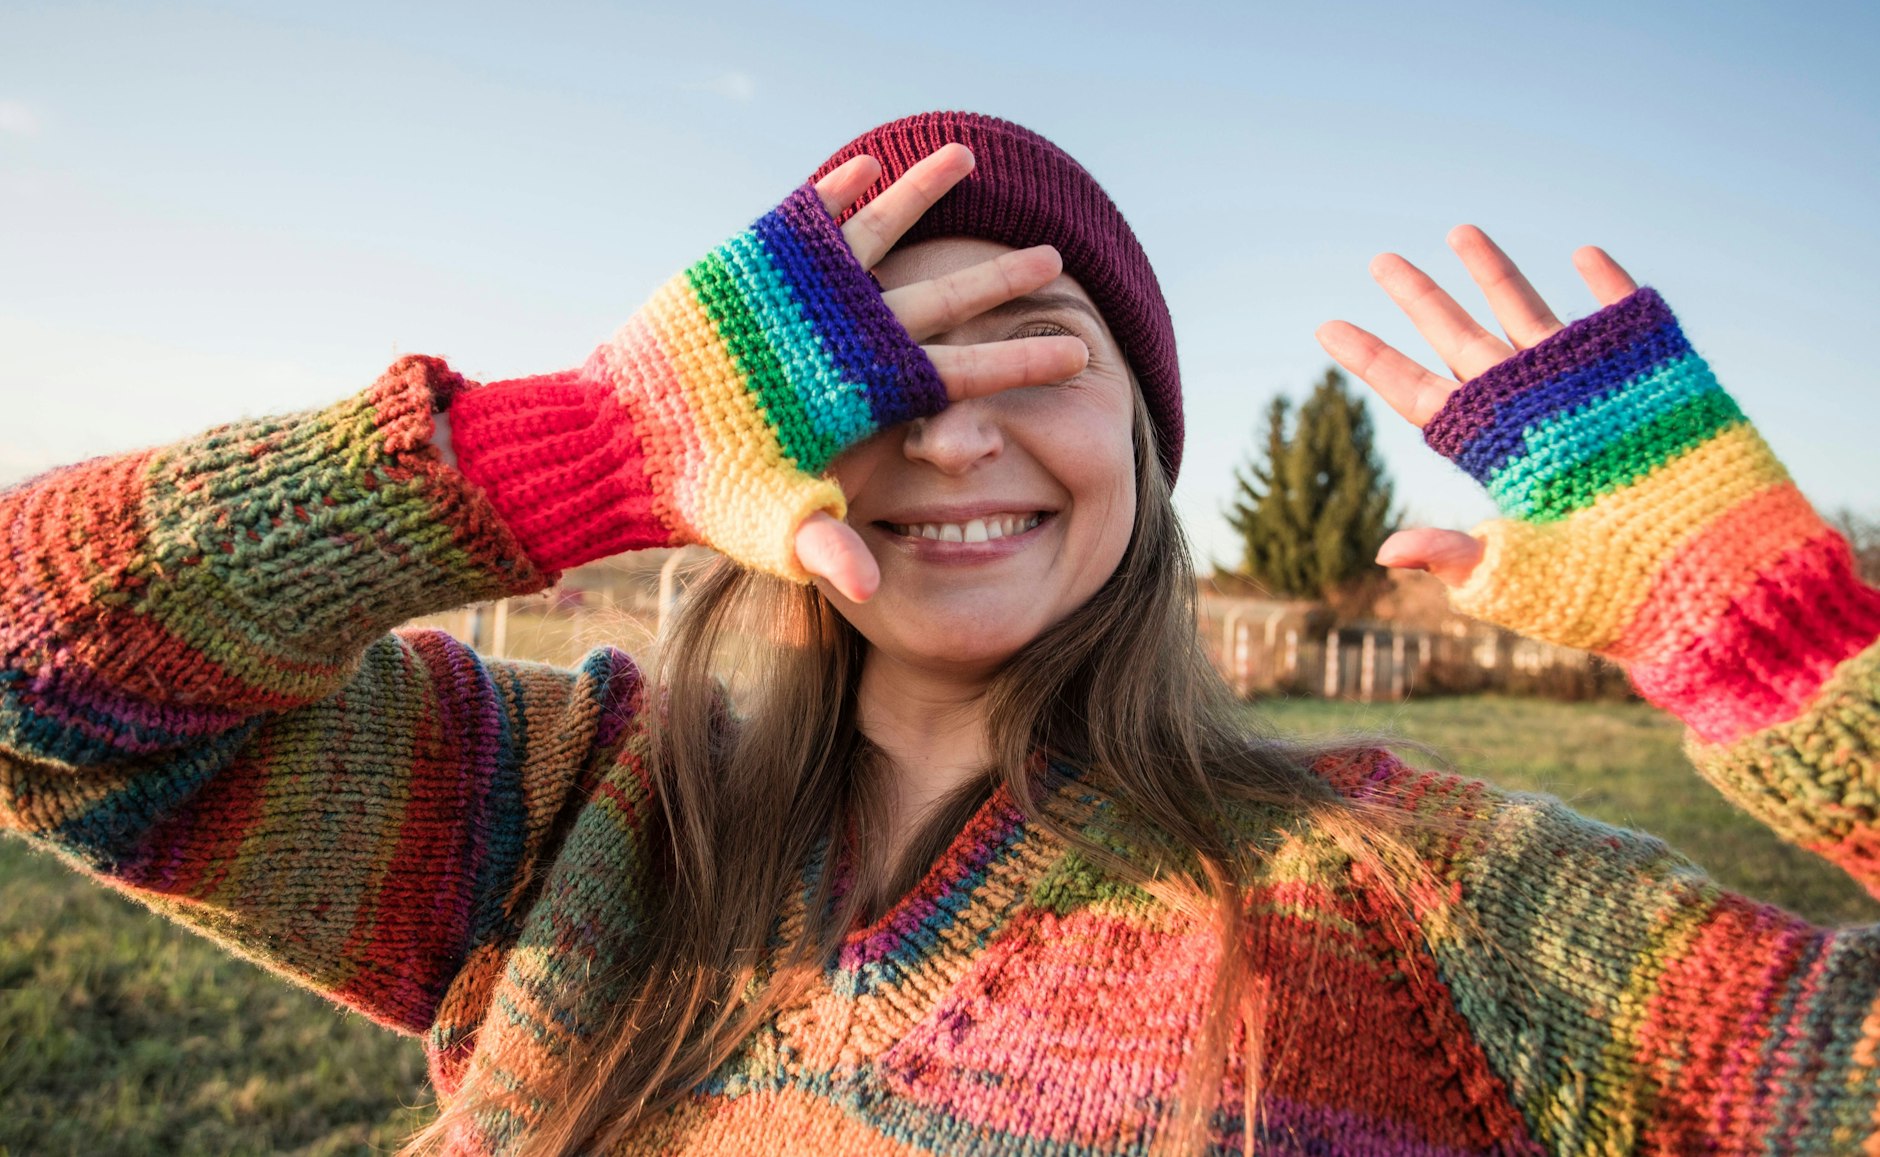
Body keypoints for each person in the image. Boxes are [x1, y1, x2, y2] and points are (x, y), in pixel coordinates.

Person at [3, 110, 1877, 1157]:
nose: (953, 427)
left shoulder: (1416, 904)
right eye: (870, 361)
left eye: (1033, 351)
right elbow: (35, 679)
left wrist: (1798, 650)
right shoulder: (566, 811)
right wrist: (572, 444)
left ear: (1147, 445)